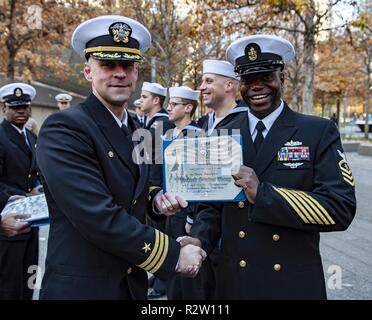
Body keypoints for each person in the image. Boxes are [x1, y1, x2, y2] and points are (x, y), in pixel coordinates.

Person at [35, 15, 206, 300]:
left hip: (131, 284)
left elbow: (145, 188)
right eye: (108, 65)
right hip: (83, 288)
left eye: (127, 65)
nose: (119, 73)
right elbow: (96, 214)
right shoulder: (64, 128)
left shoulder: (142, 131)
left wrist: (157, 201)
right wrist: (172, 255)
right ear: (88, 71)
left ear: (137, 72)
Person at [183, 34, 356, 299]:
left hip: (290, 283)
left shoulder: (317, 131)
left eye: (266, 77)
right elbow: (212, 206)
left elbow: (340, 208)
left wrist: (262, 193)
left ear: (282, 79)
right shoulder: (223, 133)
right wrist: (199, 239)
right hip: (234, 282)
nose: (256, 87)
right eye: (248, 80)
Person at [0, 83, 41, 300]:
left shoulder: (32, 138)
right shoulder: (1, 136)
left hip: (31, 221)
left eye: (25, 107)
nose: (21, 111)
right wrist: (15, 197)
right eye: (15, 107)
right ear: (3, 108)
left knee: (29, 277)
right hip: (7, 220)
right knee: (8, 283)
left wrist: (38, 188)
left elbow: (32, 174)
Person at [164, 86, 202, 299]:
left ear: (188, 108)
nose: (168, 108)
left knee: (187, 272)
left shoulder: (196, 136)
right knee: (172, 264)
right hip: (172, 208)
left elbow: (198, 180)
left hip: (186, 211)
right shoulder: (172, 133)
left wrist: (191, 216)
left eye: (174, 104)